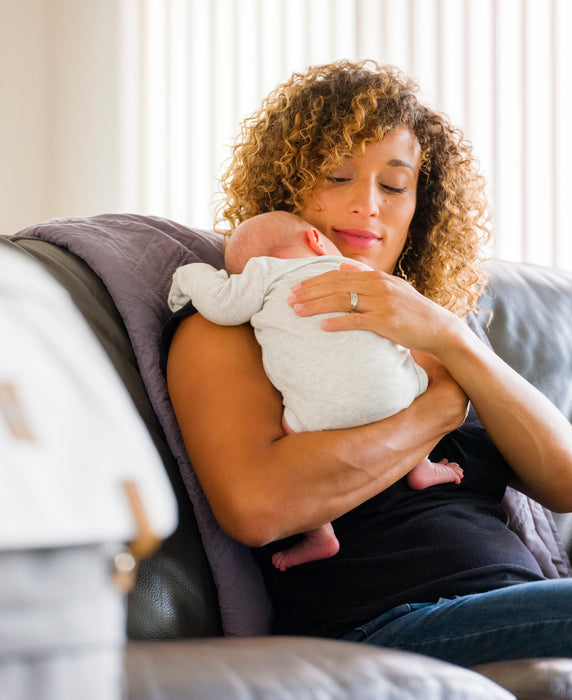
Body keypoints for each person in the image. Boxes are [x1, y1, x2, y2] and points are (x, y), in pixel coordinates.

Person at [164, 59, 572, 667]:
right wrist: (437, 409)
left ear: (420, 207)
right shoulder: (232, 327)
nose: (366, 206)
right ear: (289, 187)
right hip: (384, 628)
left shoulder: (438, 330)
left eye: (394, 184)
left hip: (519, 608)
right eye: (336, 175)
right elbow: (257, 506)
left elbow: (563, 482)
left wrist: (451, 340)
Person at [168, 210, 463, 571]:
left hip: (319, 418)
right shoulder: (361, 275)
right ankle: (423, 465)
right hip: (401, 393)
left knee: (295, 435)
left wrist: (189, 277)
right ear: (315, 239)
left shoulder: (263, 275)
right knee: (403, 377)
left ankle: (320, 534)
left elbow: (222, 305)